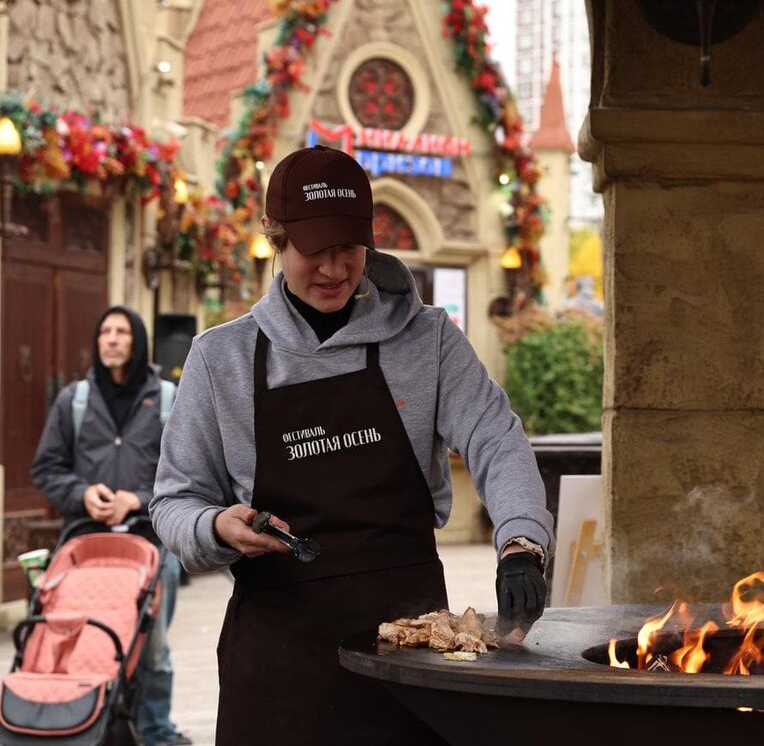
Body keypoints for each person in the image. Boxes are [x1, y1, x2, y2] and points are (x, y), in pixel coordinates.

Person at [150, 144, 555, 745]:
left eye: (348, 248)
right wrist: (214, 528)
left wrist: (523, 540)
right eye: (315, 251)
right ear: (277, 242)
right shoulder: (221, 358)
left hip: (412, 652)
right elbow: (173, 500)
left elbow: (496, 438)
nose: (335, 269)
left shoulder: (430, 341)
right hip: (279, 665)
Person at [31, 306, 190, 746]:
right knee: (85, 639)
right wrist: (81, 493)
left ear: (138, 341)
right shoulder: (74, 400)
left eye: (122, 332)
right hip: (88, 548)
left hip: (151, 544)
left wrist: (137, 499)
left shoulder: (168, 398)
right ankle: (88, 722)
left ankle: (155, 731)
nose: (112, 339)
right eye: (105, 332)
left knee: (153, 648)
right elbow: (46, 468)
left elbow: (188, 471)